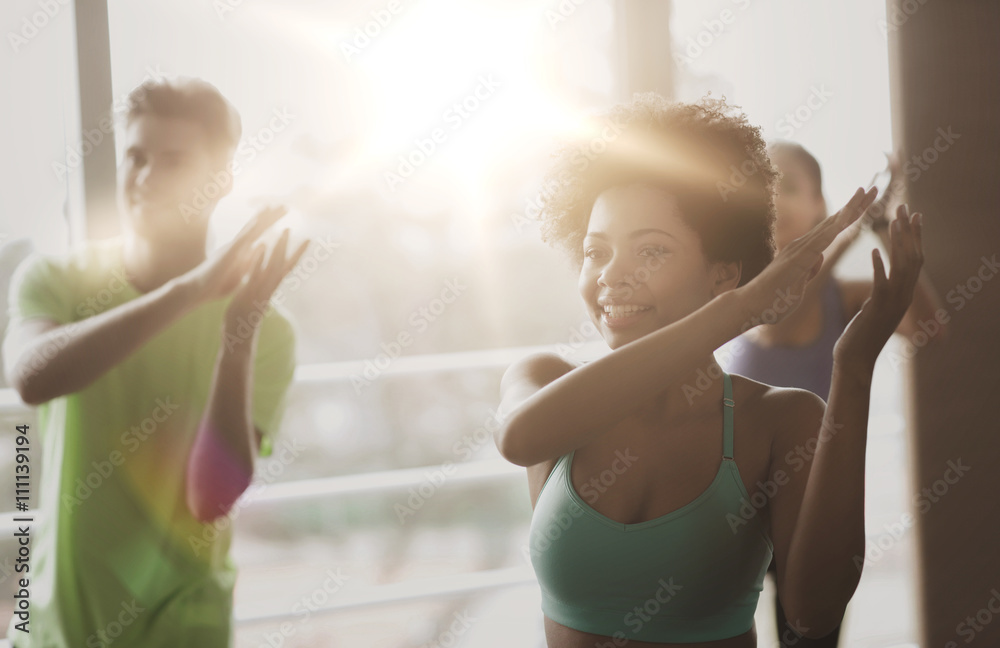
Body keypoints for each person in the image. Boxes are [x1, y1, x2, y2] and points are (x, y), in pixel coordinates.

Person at [494, 93, 924, 647]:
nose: (611, 275)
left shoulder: (779, 420)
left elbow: (813, 615)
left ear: (724, 273)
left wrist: (855, 365)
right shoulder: (542, 379)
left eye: (651, 251)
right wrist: (740, 309)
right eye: (595, 251)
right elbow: (518, 437)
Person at [3, 77, 309, 647]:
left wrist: (235, 335)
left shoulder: (269, 330)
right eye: (136, 156)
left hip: (182, 631)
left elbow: (209, 498)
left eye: (173, 161)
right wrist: (189, 290)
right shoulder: (55, 280)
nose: (145, 178)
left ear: (219, 181)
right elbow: (32, 376)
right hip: (56, 628)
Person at [726, 142, 947, 647]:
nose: (773, 200)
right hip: (735, 503)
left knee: (809, 635)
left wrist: (882, 228)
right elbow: (784, 303)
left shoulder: (839, 296)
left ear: (820, 207)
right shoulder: (743, 284)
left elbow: (930, 327)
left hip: (808, 504)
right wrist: (860, 218)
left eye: (788, 186)